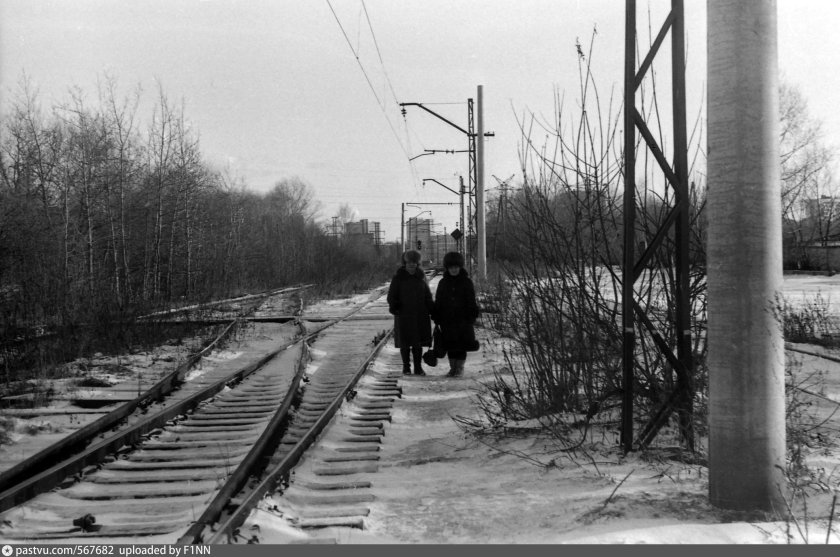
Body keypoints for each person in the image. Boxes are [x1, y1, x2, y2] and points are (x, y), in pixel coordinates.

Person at [387, 250, 434, 376]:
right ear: (405, 263)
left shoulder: (421, 277)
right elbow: (391, 295)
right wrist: (395, 306)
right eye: (409, 262)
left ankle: (418, 368)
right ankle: (406, 367)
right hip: (404, 314)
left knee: (417, 343)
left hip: (420, 314)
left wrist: (432, 309)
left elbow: (427, 295)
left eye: (414, 262)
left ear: (417, 263)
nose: (412, 265)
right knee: (405, 343)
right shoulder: (398, 277)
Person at [434, 251, 480, 377]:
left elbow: (471, 300)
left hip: (463, 319)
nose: (454, 270)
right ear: (447, 268)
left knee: (462, 345)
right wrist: (436, 315)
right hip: (447, 320)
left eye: (456, 267)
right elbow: (438, 300)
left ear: (460, 267)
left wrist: (471, 315)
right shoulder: (443, 283)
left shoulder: (466, 282)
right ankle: (452, 368)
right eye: (451, 267)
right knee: (450, 345)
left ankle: (459, 368)